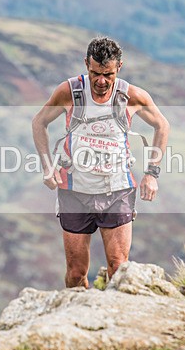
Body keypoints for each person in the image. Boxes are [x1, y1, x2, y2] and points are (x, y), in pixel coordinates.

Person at [32, 37, 169, 288]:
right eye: (95, 73)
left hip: (116, 189)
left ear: (119, 67)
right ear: (86, 64)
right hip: (74, 191)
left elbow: (162, 125)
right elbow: (39, 122)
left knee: (118, 267)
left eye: (108, 74)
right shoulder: (69, 92)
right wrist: (47, 165)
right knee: (76, 273)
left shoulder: (131, 95)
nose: (101, 81)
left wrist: (152, 173)